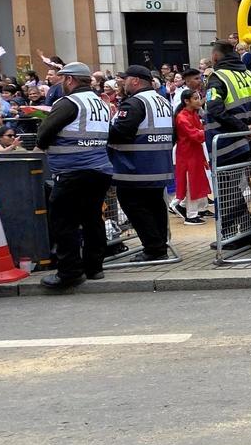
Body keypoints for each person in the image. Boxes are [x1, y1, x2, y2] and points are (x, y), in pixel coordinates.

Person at [33, 62, 114, 289]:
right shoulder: (100, 103)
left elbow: (43, 136)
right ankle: (94, 267)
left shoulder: (69, 102)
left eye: (62, 79)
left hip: (73, 172)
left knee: (64, 221)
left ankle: (69, 273)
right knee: (92, 219)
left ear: (70, 80)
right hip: (99, 169)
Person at [204, 39, 251, 246]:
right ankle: (248, 232)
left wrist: (242, 129)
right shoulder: (250, 75)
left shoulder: (218, 77)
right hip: (247, 142)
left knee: (226, 191)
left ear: (215, 56)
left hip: (225, 143)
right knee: (234, 190)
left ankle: (231, 236)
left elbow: (214, 108)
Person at [107, 65, 176, 261]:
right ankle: (159, 245)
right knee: (156, 206)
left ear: (135, 80)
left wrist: (105, 128)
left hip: (136, 167)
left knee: (135, 206)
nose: (123, 82)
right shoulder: (162, 101)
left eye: (126, 79)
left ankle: (153, 248)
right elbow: (174, 133)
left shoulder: (135, 103)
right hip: (158, 164)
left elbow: (121, 133)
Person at [173, 89, 212, 224]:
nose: (198, 101)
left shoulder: (192, 114)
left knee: (196, 183)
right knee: (191, 184)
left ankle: (183, 206)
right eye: (195, 98)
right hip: (187, 155)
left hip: (194, 153)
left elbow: (198, 133)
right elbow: (196, 135)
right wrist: (207, 132)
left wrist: (203, 131)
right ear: (186, 101)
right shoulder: (182, 117)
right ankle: (190, 214)